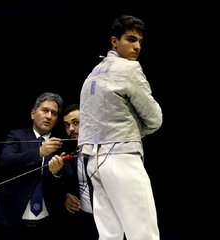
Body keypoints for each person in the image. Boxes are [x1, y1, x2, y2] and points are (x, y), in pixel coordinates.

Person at [78, 15, 163, 240]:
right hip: (121, 159)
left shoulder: (91, 74)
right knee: (144, 234)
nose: (137, 47)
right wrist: (133, 130)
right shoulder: (129, 68)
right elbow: (154, 118)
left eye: (140, 42)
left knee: (109, 235)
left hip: (94, 164)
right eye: (131, 39)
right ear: (114, 42)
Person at [0, 92, 66, 240]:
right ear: (33, 114)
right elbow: (6, 161)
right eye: (45, 110)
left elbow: (69, 178)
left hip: (49, 221)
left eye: (54, 113)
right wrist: (40, 152)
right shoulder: (17, 136)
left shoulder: (59, 143)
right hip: (12, 219)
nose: (49, 116)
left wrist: (58, 172)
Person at [51, 104, 99, 240]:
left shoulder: (106, 147)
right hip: (83, 220)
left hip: (110, 217)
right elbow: (64, 179)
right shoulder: (67, 150)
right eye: (67, 125)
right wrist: (66, 195)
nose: (71, 129)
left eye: (76, 123)